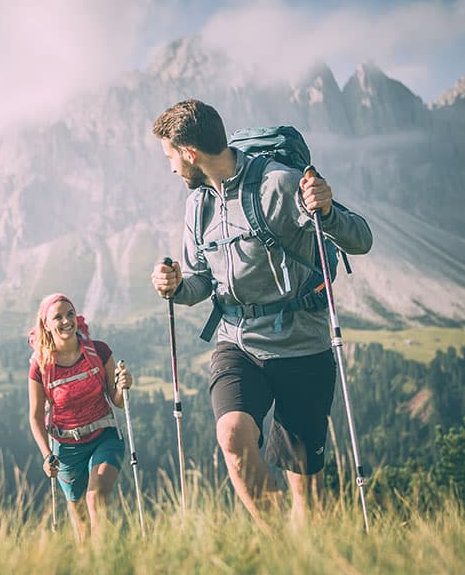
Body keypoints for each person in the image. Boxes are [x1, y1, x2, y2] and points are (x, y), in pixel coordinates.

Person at [149, 99, 373, 527]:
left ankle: (307, 552)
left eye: (170, 157)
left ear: (190, 153)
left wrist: (325, 209)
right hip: (238, 342)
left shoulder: (281, 184)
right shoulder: (198, 206)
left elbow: (361, 239)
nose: (171, 168)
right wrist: (177, 287)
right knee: (232, 435)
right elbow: (199, 283)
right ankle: (279, 551)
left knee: (305, 491)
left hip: (301, 344)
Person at [27, 293, 133, 542]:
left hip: (105, 436)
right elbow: (34, 417)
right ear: (46, 325)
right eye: (58, 317)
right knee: (82, 524)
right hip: (66, 448)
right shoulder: (40, 367)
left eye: (70, 314)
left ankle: (104, 559)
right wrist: (46, 456)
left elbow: (116, 401)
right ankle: (91, 562)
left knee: (96, 497)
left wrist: (123, 386)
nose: (66, 321)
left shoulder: (98, 351)